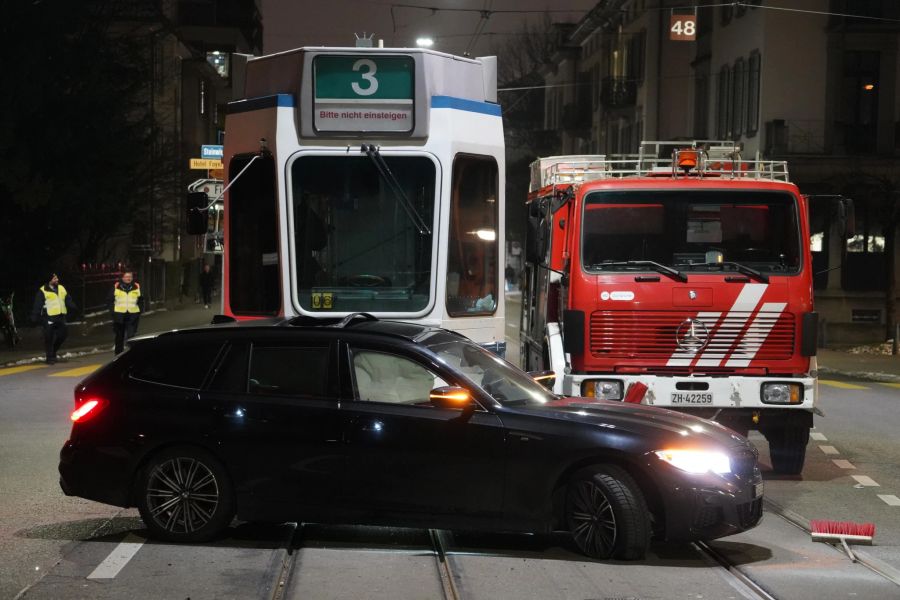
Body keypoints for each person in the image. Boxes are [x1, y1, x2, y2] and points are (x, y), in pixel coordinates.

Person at [31, 273, 77, 364]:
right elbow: (37, 305)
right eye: (55, 279)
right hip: (49, 317)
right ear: (49, 280)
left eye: (57, 278)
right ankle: (49, 358)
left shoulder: (61, 288)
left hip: (60, 317)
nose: (57, 280)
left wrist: (74, 307)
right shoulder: (43, 290)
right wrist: (34, 316)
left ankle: (53, 352)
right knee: (49, 338)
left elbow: (68, 299)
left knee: (63, 335)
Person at [107, 270, 144, 355]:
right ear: (122, 277)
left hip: (132, 316)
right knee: (119, 337)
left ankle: (131, 354)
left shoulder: (136, 286)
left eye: (130, 277)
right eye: (126, 277)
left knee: (131, 336)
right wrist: (113, 312)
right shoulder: (116, 286)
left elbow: (141, 300)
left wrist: (139, 311)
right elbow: (109, 300)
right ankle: (118, 355)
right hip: (119, 316)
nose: (128, 278)